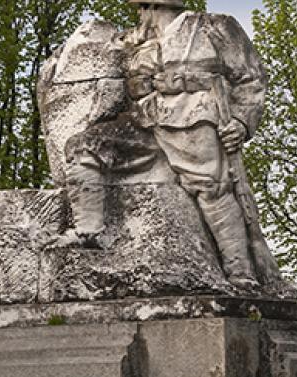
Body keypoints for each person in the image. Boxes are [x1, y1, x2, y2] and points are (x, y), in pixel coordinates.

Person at [55, 0, 270, 290]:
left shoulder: (213, 26)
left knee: (212, 189)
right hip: (145, 123)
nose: (140, 15)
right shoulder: (135, 41)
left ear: (151, 6)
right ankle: (87, 232)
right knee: (85, 146)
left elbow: (252, 78)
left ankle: (240, 272)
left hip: (194, 117)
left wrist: (242, 121)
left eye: (142, 8)